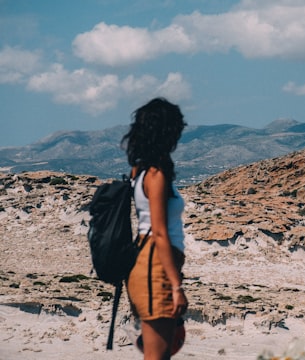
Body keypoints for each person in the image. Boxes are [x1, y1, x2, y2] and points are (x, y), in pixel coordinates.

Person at [122, 97, 188, 359]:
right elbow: (159, 232)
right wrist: (176, 286)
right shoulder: (156, 175)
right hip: (155, 268)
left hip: (148, 264)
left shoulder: (139, 171)